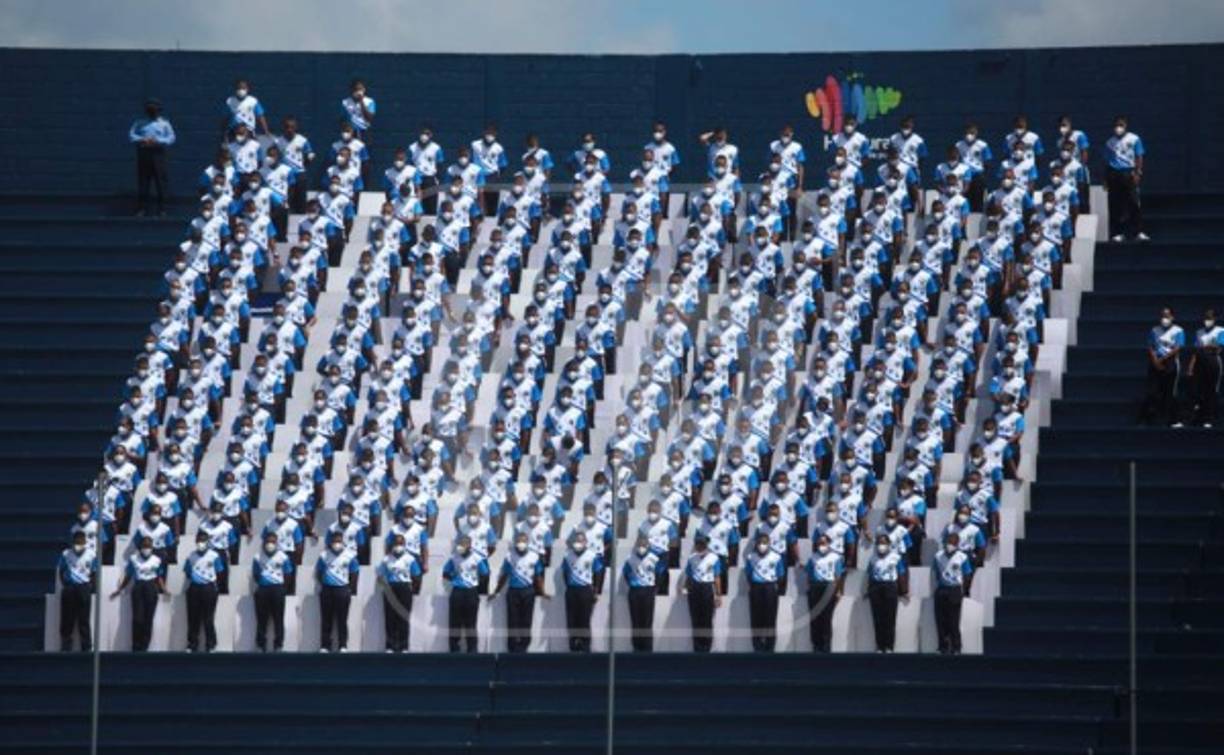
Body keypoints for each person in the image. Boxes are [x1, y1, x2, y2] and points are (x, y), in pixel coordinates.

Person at [490, 531, 545, 653]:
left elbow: (538, 576)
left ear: (528, 542)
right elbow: (504, 575)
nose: (521, 543)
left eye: (524, 540)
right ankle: (512, 647)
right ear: (515, 542)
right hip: (513, 592)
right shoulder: (509, 556)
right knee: (512, 620)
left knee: (526, 620)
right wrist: (496, 591)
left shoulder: (534, 556)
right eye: (519, 540)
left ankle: (524, 646)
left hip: (528, 591)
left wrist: (542, 592)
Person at [110, 536, 166, 652]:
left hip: (151, 587)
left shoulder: (157, 560)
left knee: (148, 619)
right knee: (137, 619)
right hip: (138, 587)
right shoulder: (133, 559)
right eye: (144, 546)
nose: (147, 548)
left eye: (149, 546)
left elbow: (159, 576)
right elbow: (128, 576)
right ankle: (136, 645)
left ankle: (145, 646)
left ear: (152, 547)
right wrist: (120, 589)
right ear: (140, 547)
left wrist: (164, 589)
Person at [129, 97, 176, 216]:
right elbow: (131, 135)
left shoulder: (164, 123)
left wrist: (158, 141)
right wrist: (142, 139)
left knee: (161, 182)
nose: (152, 110)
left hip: (158, 154)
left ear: (159, 110)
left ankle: (162, 209)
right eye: (150, 108)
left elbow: (171, 138)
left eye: (154, 108)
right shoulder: (140, 122)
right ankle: (142, 209)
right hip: (144, 153)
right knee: (143, 182)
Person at [1104, 116, 1148, 242]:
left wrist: (1138, 173)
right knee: (1116, 205)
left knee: (1134, 203)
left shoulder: (1134, 139)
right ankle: (1118, 233)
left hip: (1129, 172)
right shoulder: (1110, 142)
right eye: (1116, 125)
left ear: (1126, 125)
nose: (1118, 128)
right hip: (1114, 174)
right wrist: (1106, 179)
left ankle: (1138, 232)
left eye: (1121, 125)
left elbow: (1139, 156)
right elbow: (1107, 161)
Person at [378, 533, 423, 653]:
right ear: (392, 545)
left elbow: (417, 575)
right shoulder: (386, 559)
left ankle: (404, 646)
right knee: (390, 618)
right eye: (396, 543)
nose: (398, 546)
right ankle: (390, 646)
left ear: (404, 545)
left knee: (403, 617)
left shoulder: (410, 559)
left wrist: (413, 590)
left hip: (404, 588)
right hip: (390, 588)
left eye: (401, 543)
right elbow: (380, 576)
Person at [442, 535, 489, 653]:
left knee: (471, 623)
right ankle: (454, 649)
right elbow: (445, 572)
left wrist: (477, 588)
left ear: (469, 545)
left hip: (471, 592)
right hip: (457, 591)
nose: (460, 546)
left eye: (463, 544)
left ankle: (472, 649)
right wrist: (453, 578)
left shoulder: (477, 558)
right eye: (459, 543)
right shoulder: (454, 558)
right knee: (454, 622)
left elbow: (485, 574)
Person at [1140, 308, 1185, 427]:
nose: (1164, 318)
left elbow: (1177, 348)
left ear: (1172, 317)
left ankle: (1175, 420)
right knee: (1152, 392)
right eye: (1162, 316)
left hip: (1170, 363)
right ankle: (1149, 419)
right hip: (1155, 362)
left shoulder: (1178, 330)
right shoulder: (1154, 330)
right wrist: (1155, 360)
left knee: (1171, 392)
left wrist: (1163, 359)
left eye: (1167, 316)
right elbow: (1150, 346)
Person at [315, 531, 359, 652]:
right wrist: (325, 583)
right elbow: (319, 573)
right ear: (330, 542)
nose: (336, 544)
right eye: (334, 541)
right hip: (327, 589)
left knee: (342, 619)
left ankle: (343, 645)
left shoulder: (350, 556)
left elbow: (354, 573)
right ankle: (325, 645)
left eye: (339, 541)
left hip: (343, 589)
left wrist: (350, 589)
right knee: (326, 619)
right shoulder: (324, 555)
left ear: (343, 542)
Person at [561, 531, 605, 652]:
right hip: (571, 590)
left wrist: (595, 591)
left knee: (584, 619)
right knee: (571, 619)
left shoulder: (592, 556)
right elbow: (564, 574)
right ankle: (574, 645)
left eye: (580, 541)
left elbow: (598, 573)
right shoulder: (567, 556)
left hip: (586, 590)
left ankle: (585, 645)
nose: (578, 543)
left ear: (585, 542)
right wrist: (569, 586)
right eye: (576, 541)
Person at [183, 531, 225, 653]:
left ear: (207, 542)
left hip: (209, 588)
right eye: (199, 540)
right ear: (196, 541)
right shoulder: (191, 556)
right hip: (194, 588)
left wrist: (214, 586)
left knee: (208, 618)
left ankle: (211, 644)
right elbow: (187, 572)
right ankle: (192, 644)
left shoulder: (214, 555)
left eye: (203, 540)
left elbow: (220, 572)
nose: (201, 543)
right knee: (193, 617)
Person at [251, 533, 294, 653]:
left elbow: (288, 574)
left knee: (278, 619)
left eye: (273, 542)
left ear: (276, 543)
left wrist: (282, 588)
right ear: (264, 542)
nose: (270, 544)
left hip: (278, 589)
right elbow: (255, 574)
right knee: (261, 619)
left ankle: (278, 645)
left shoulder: (283, 557)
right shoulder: (257, 557)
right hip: (262, 589)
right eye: (268, 541)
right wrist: (263, 583)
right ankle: (261, 645)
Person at [866, 533, 908, 652]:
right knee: (877, 618)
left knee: (890, 618)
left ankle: (889, 646)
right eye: (879, 543)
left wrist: (903, 590)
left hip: (890, 587)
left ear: (889, 545)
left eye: (884, 543)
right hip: (876, 587)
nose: (881, 545)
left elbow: (901, 573)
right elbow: (870, 575)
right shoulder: (873, 558)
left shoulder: (896, 557)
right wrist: (868, 589)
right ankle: (880, 646)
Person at [933, 531, 974, 655]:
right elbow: (935, 573)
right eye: (948, 542)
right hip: (941, 590)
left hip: (955, 590)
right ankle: (942, 647)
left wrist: (964, 590)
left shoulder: (962, 557)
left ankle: (956, 647)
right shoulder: (938, 556)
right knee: (940, 620)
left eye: (953, 543)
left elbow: (967, 575)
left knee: (953, 620)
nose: (950, 545)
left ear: (957, 544)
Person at [744, 532, 786, 652]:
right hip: (756, 588)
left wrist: (773, 586)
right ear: (756, 544)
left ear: (769, 543)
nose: (762, 545)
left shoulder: (776, 557)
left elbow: (781, 576)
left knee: (770, 619)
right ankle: (757, 647)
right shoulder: (751, 557)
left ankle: (769, 647)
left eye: (764, 543)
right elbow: (748, 574)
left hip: (770, 588)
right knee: (756, 618)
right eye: (760, 543)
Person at [680, 532, 722, 652]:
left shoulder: (714, 558)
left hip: (707, 588)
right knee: (696, 619)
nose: (700, 547)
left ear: (707, 545)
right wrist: (684, 588)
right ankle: (697, 646)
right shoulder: (692, 558)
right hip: (694, 589)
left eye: (703, 544)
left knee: (707, 619)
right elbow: (689, 575)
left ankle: (706, 646)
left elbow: (717, 577)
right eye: (698, 544)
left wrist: (718, 595)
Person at [623, 535, 665, 652]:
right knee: (635, 620)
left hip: (648, 591)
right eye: (639, 544)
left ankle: (647, 648)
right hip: (634, 591)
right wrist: (633, 584)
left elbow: (660, 573)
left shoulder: (654, 558)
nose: (641, 547)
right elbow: (626, 574)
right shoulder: (630, 559)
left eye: (644, 545)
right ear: (636, 545)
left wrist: (655, 588)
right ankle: (636, 647)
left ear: (648, 546)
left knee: (647, 620)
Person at [57, 532, 98, 652]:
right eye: (76, 543)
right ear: (72, 542)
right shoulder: (66, 554)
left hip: (84, 587)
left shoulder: (91, 554)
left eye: (80, 543)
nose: (78, 545)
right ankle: (66, 644)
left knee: (84, 619)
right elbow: (61, 571)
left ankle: (86, 646)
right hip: (70, 588)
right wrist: (66, 584)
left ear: (85, 542)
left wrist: (91, 587)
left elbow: (94, 573)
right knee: (67, 617)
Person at [804, 533, 845, 652]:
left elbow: (838, 576)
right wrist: (810, 588)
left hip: (829, 587)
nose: (821, 545)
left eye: (824, 543)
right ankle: (816, 645)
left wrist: (838, 591)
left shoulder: (835, 558)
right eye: (819, 543)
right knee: (815, 617)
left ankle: (826, 646)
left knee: (826, 618)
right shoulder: (813, 558)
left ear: (829, 544)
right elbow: (809, 575)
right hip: (815, 587)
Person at [1188, 309, 1223, 428]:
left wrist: (1207, 346)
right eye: (1206, 318)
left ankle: (1210, 418)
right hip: (1200, 362)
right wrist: (1191, 366)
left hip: (1213, 362)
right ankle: (1199, 417)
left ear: (1214, 319)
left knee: (1212, 390)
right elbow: (1196, 350)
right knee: (1198, 390)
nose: (1207, 320)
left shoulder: (1221, 331)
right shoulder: (1199, 332)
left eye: (1210, 318)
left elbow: (1218, 347)